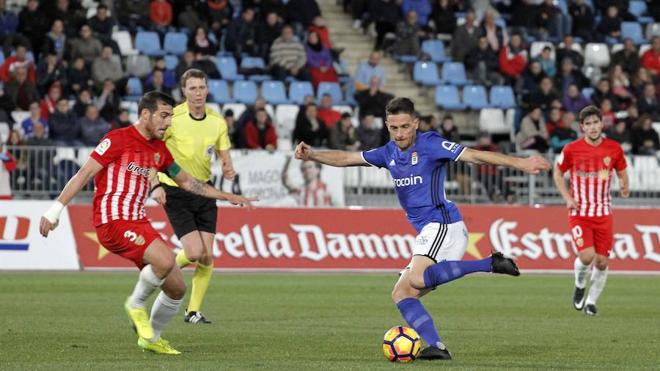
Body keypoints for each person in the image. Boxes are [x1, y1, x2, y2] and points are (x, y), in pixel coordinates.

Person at [294, 97, 550, 359]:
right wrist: (312, 154)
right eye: (394, 128)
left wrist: (521, 163)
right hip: (430, 232)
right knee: (402, 293)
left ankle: (489, 264)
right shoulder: (387, 153)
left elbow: (474, 155)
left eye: (405, 126)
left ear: (415, 123)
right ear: (387, 125)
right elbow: (347, 158)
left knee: (416, 279)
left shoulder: (432, 144)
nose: (400, 133)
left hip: (444, 225)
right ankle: (438, 348)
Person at [39, 91, 255, 355]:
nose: (168, 123)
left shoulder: (159, 150)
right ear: (145, 114)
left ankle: (151, 338)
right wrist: (54, 211)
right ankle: (135, 304)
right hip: (112, 220)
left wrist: (225, 196)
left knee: (177, 288)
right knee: (165, 261)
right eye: (164, 116)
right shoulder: (117, 139)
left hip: (138, 222)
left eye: (171, 117)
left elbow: (187, 182)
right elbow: (84, 173)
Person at [155, 69, 237, 325]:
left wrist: (227, 166)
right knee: (192, 252)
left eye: (201, 87)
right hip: (176, 190)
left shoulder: (217, 121)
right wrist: (154, 183)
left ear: (207, 89)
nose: (198, 93)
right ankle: (155, 274)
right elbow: (154, 147)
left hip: (204, 190)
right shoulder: (173, 117)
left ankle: (193, 311)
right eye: (193, 88)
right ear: (184, 92)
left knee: (207, 256)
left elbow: (224, 153)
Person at [553, 105, 629, 317]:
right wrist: (567, 198)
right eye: (588, 124)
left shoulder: (613, 148)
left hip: (604, 213)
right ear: (582, 127)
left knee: (602, 262)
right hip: (580, 212)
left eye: (596, 122)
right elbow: (557, 174)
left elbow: (622, 171)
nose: (593, 127)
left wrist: (625, 184)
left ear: (601, 123)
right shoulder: (571, 149)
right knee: (587, 257)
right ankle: (579, 284)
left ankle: (592, 302)